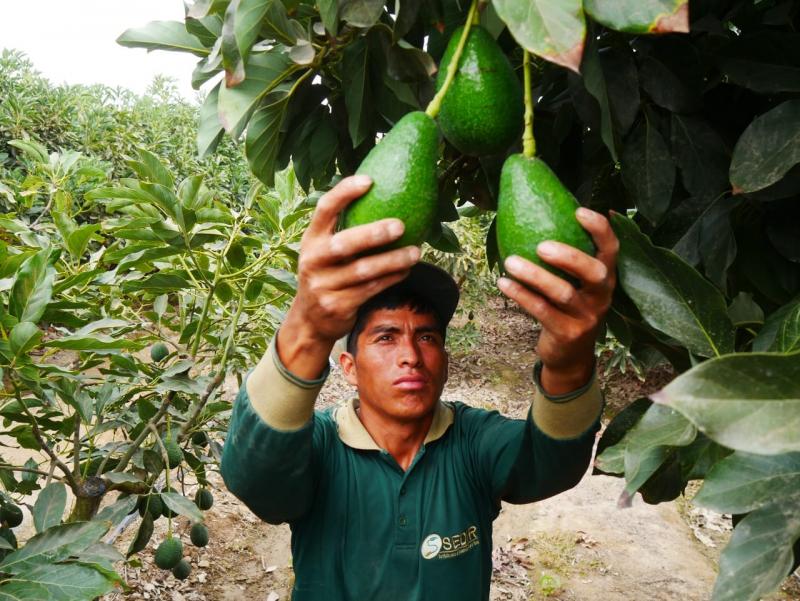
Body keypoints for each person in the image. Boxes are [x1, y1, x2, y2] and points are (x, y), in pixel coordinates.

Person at [221, 174, 619, 600]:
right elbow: (255, 481)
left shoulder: (472, 442)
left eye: (427, 337)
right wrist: (306, 327)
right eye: (386, 337)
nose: (411, 354)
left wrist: (569, 362)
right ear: (349, 368)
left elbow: (551, 464)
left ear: (445, 363)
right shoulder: (319, 446)